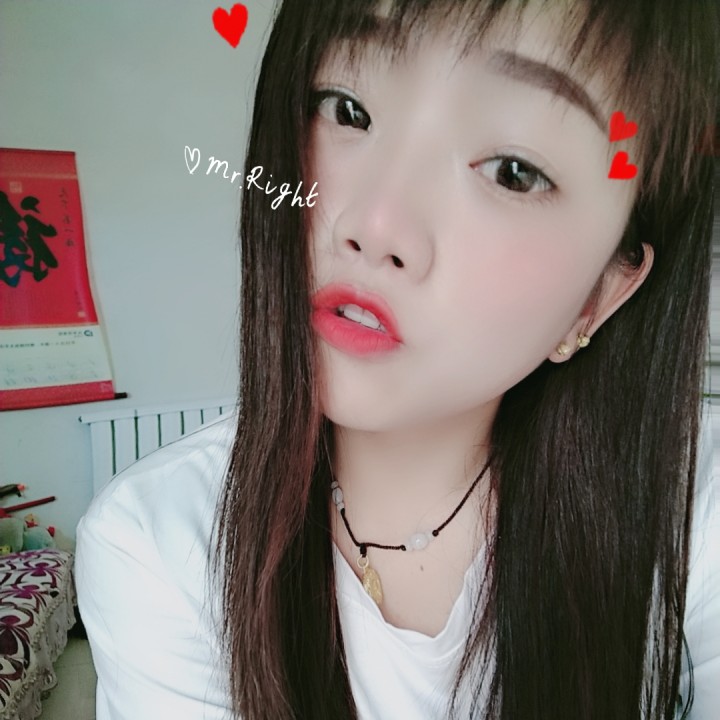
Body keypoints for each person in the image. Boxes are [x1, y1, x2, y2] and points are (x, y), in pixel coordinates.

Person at [75, 0, 720, 718]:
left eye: (513, 172)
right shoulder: (158, 543)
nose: (374, 226)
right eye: (347, 110)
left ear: (598, 296)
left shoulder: (694, 501)